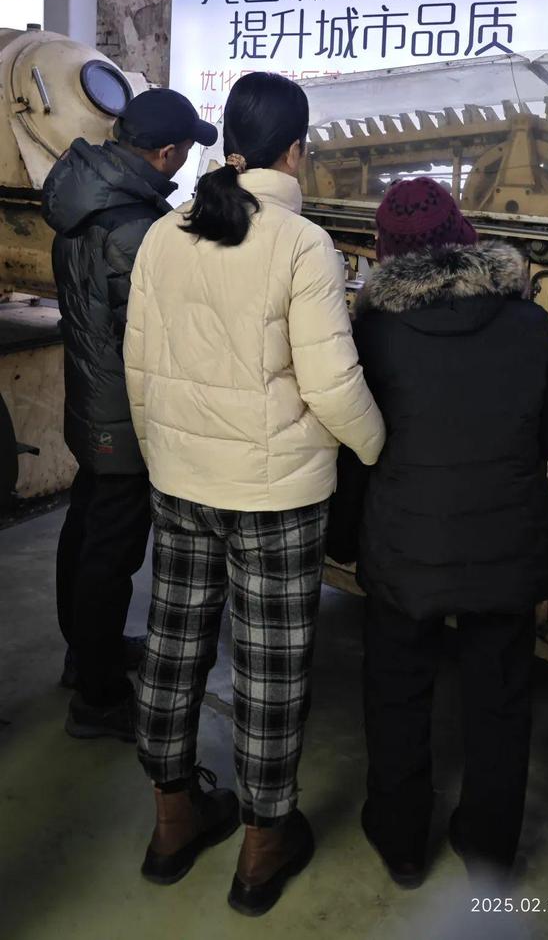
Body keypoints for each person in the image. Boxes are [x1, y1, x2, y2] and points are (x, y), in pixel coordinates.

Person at [124, 72, 384, 911]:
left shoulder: (164, 233)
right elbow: (333, 384)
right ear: (296, 151)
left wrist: (164, 454)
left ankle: (172, 823)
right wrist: (375, 448)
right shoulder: (303, 245)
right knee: (269, 670)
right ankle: (262, 849)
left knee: (172, 646)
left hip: (182, 484)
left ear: (228, 141)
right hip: (278, 498)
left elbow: (137, 367)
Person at [352, 176, 548, 885]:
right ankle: (487, 847)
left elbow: (356, 439)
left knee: (396, 686)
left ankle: (400, 840)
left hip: (405, 541)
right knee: (501, 691)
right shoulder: (529, 323)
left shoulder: (373, 332)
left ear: (386, 253)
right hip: (504, 540)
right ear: (465, 236)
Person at [43, 89, 218, 742]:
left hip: (90, 398)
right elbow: (153, 334)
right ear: (166, 152)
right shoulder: (137, 229)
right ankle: (99, 698)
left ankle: (85, 654)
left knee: (86, 527)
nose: (184, 162)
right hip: (125, 413)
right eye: (185, 152)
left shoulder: (82, 192)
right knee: (111, 554)